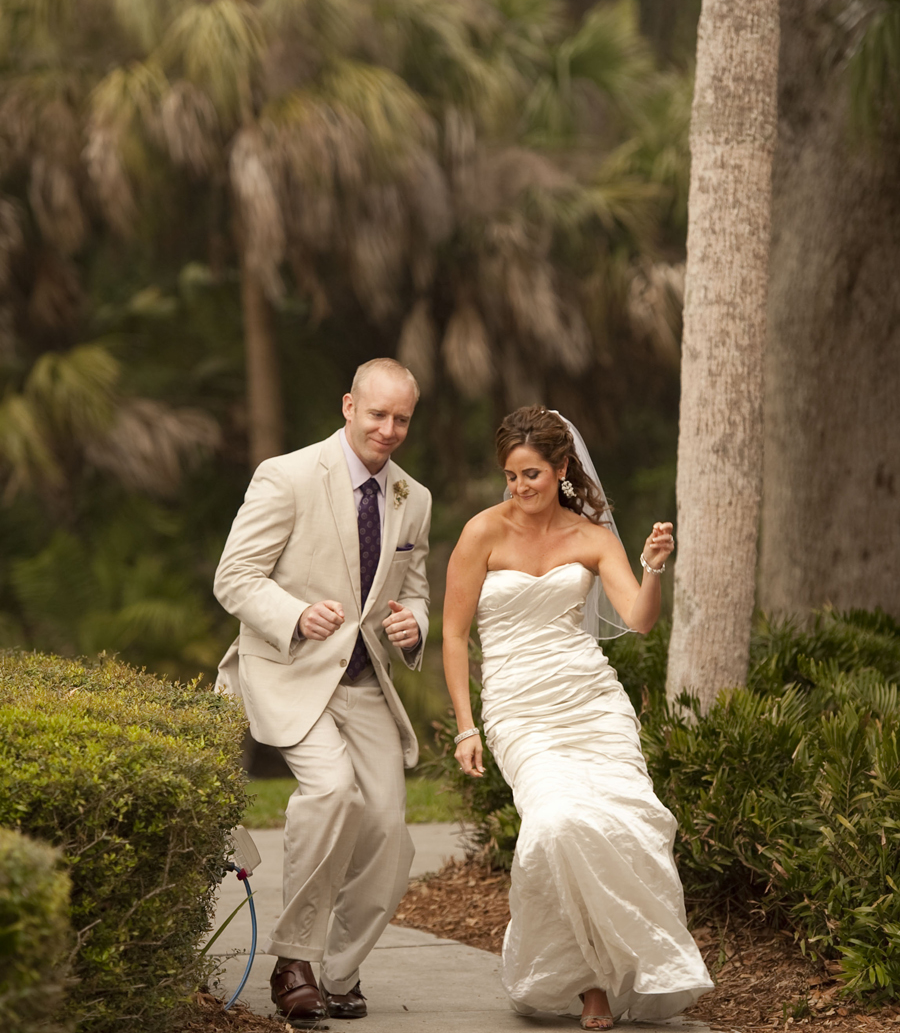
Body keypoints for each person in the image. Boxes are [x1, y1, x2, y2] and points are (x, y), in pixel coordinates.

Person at [443, 406, 712, 1031]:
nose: (519, 488)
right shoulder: (481, 532)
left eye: (532, 474)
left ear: (562, 469)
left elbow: (639, 620)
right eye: (511, 476)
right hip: (519, 710)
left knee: (625, 823)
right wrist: (465, 724)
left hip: (592, 703)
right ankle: (582, 975)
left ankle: (603, 979)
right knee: (557, 824)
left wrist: (652, 565)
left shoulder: (592, 537)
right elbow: (454, 638)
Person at [213, 358, 431, 1026]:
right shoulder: (286, 476)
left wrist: (412, 624)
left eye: (401, 419)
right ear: (348, 406)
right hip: (289, 672)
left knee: (391, 832)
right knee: (332, 791)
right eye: (377, 415)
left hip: (367, 683)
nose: (389, 430)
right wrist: (293, 615)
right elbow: (235, 578)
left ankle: (337, 971)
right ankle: (293, 962)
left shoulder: (412, 499)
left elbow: (416, 589)